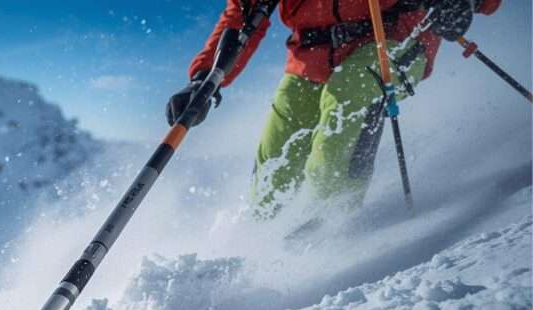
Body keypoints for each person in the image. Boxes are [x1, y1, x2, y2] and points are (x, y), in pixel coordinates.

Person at [167, 0, 502, 218]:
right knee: (276, 161)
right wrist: (205, 78)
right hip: (310, 56)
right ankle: (258, 238)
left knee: (348, 94)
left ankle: (328, 227)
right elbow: (243, 15)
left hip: (394, 39)